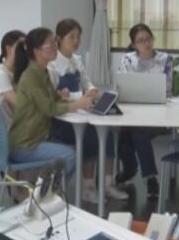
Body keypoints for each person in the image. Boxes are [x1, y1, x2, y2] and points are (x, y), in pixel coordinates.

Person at [47, 18, 127, 202]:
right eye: (71, 37)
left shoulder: (77, 60)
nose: (76, 41)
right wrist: (78, 97)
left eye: (78, 37)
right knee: (91, 137)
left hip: (81, 113)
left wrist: (92, 90)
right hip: (62, 120)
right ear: (59, 38)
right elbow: (53, 96)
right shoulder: (52, 65)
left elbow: (86, 82)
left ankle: (107, 185)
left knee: (107, 134)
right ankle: (88, 187)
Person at [9, 27, 95, 182]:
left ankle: (49, 190)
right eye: (51, 44)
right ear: (37, 51)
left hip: (38, 138)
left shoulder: (42, 72)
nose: (56, 47)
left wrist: (80, 101)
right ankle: (47, 192)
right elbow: (50, 109)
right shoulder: (31, 77)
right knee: (70, 155)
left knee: (78, 147)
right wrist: (78, 104)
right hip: (26, 144)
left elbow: (55, 99)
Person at [115, 23, 173, 198]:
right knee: (123, 133)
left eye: (148, 39)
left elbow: (168, 88)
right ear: (134, 44)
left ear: (153, 39)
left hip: (158, 115)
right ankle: (135, 170)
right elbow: (121, 86)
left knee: (137, 134)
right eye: (140, 41)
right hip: (132, 113)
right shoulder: (128, 59)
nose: (146, 43)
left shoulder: (165, 59)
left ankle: (143, 175)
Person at [0, 30, 25, 122]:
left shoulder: (21, 71)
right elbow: (20, 103)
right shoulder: (1, 74)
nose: (25, 52)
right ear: (8, 49)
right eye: (21, 48)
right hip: (7, 126)